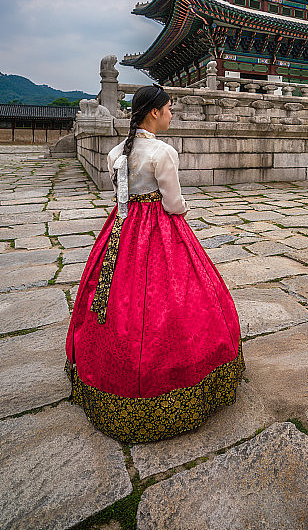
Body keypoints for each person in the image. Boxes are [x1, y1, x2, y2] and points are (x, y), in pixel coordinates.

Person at [64, 85, 245, 443]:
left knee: (116, 295)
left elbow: (121, 196)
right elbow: (173, 202)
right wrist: (183, 213)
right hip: (157, 230)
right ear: (153, 113)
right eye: (168, 108)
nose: (171, 114)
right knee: (173, 298)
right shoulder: (163, 152)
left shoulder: (117, 152)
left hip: (120, 229)